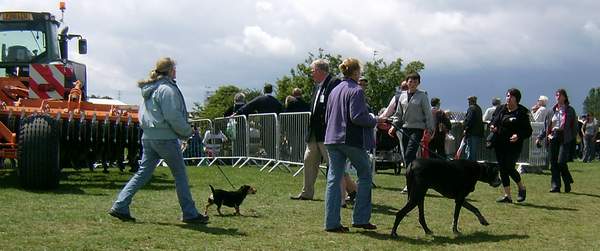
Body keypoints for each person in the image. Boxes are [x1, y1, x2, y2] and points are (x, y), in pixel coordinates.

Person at [109, 57, 208, 224]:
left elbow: (143, 114)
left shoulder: (149, 89)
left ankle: (120, 204)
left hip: (148, 137)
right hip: (166, 138)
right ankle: (189, 213)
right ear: (170, 70)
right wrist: (186, 131)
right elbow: (173, 116)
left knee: (143, 173)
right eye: (174, 69)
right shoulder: (167, 90)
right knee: (180, 175)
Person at [324, 57, 379, 232]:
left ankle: (331, 223)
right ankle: (361, 218)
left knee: (333, 180)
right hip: (350, 140)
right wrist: (375, 120)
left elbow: (327, 117)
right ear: (355, 72)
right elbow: (357, 117)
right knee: (365, 176)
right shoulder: (357, 91)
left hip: (332, 139)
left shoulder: (334, 90)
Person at [290, 59, 340, 200]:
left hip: (326, 133)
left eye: (312, 70)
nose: (311, 73)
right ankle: (307, 193)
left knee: (334, 164)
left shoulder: (333, 82)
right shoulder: (317, 86)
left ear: (319, 70)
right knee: (308, 160)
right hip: (313, 133)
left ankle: (349, 192)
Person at [387, 73, 434, 193]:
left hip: (417, 129)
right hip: (405, 128)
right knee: (407, 156)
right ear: (406, 82)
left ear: (418, 83)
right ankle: (412, 182)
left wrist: (430, 129)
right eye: (409, 81)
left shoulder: (422, 96)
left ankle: (412, 183)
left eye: (414, 81)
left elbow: (428, 114)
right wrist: (394, 127)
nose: (411, 83)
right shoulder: (401, 96)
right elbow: (398, 114)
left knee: (409, 154)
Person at [489, 88, 532, 203]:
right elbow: (493, 120)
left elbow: (528, 131)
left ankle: (521, 187)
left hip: (513, 145)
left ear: (516, 99)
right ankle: (507, 196)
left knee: (509, 167)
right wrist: (493, 126)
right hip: (499, 143)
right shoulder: (500, 109)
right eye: (507, 96)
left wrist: (518, 135)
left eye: (511, 96)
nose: (508, 98)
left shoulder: (522, 112)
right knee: (502, 169)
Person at [536, 89, 576, 193]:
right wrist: (540, 137)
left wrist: (572, 139)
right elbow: (547, 127)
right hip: (553, 136)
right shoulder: (551, 110)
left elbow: (574, 127)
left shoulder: (570, 110)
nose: (557, 97)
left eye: (560, 95)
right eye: (556, 95)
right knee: (553, 163)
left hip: (565, 137)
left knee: (561, 162)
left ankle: (567, 181)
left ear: (564, 97)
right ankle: (555, 186)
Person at [463, 96, 484, 161]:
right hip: (477, 133)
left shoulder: (471, 108)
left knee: (470, 151)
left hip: (471, 132)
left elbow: (469, 120)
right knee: (474, 151)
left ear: (470, 101)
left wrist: (465, 128)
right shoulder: (479, 108)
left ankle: (470, 166)